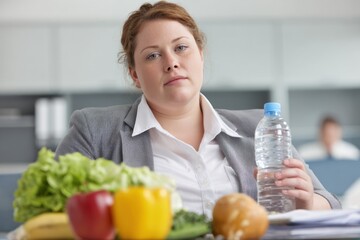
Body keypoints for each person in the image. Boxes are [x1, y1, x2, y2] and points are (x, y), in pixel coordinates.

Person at [55, 1, 341, 218]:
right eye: (153, 55)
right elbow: (50, 214)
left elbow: (330, 202)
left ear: (200, 55)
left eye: (181, 48)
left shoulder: (259, 127)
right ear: (135, 75)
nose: (171, 62)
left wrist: (306, 203)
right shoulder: (94, 131)